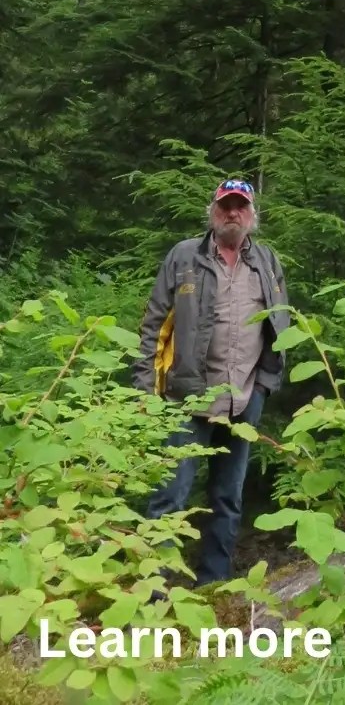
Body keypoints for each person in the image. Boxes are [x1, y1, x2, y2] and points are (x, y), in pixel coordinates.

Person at [133, 178, 290, 587]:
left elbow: (281, 324)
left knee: (227, 499)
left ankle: (212, 586)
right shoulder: (184, 257)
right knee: (171, 496)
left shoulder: (267, 263)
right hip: (188, 397)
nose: (232, 213)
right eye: (225, 206)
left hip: (244, 399)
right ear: (212, 211)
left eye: (240, 206)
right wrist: (142, 389)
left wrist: (265, 385)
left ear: (253, 215)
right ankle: (153, 592)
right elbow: (153, 325)